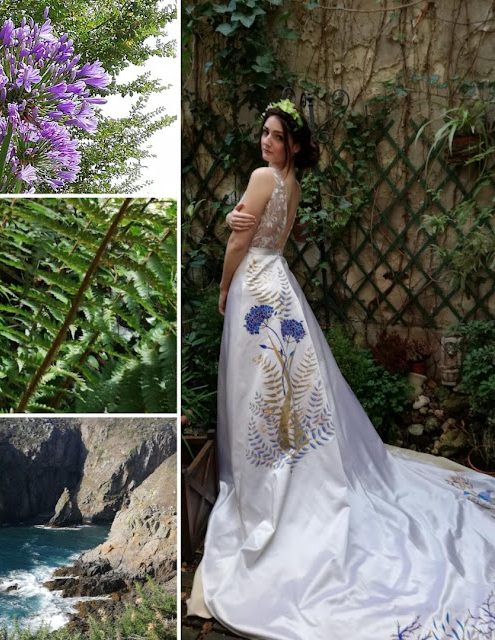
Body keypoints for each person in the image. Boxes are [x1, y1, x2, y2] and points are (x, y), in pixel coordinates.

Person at [187, 99, 495, 640]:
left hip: (255, 289)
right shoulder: (292, 186)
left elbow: (241, 239)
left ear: (295, 145)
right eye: (264, 132)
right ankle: (292, 463)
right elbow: (271, 236)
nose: (266, 142)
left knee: (258, 389)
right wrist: (244, 226)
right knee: (287, 388)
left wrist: (222, 284)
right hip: (280, 284)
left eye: (277, 136)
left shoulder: (262, 178)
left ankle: (272, 480)